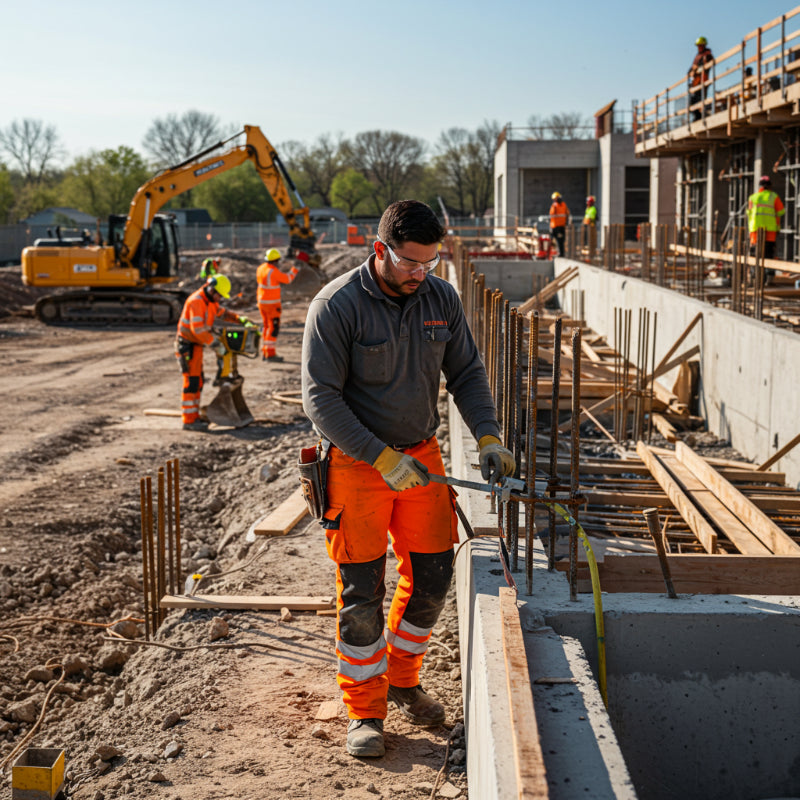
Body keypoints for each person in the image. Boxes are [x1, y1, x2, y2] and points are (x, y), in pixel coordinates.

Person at [301, 199, 515, 759]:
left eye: (430, 262)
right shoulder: (336, 306)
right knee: (362, 591)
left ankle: (402, 678)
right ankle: (365, 709)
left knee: (432, 575)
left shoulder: (440, 298)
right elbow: (320, 400)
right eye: (410, 262)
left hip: (420, 455)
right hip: (356, 464)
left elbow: (466, 373)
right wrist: (379, 458)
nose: (421, 272)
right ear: (381, 249)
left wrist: (488, 436)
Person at [175, 274, 248, 431]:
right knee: (191, 382)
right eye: (219, 295)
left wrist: (239, 319)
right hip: (187, 347)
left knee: (198, 381)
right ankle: (189, 420)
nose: (220, 299)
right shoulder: (196, 302)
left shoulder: (210, 302)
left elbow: (223, 313)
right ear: (212, 290)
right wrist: (215, 344)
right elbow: (198, 330)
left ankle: (194, 416)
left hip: (196, 346)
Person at [257, 248, 299, 362]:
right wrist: (295, 269)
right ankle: (270, 354)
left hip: (262, 302)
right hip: (272, 304)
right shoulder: (273, 271)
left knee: (266, 327)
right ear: (275, 260)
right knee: (273, 328)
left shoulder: (261, 268)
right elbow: (288, 279)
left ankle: (265, 351)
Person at [748, 175, 785, 279]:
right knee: (768, 254)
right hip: (770, 230)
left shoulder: (753, 197)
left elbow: (749, 214)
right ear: (769, 186)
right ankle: (769, 277)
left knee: (755, 254)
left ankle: (755, 276)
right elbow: (781, 211)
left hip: (755, 231)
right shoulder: (773, 196)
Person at [688, 36, 714, 121]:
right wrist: (691, 71)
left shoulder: (707, 54)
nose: (699, 47)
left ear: (704, 45)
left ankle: (701, 116)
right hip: (695, 83)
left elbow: (708, 64)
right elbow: (691, 68)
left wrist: (697, 68)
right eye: (698, 46)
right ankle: (697, 117)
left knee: (700, 100)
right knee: (692, 102)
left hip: (703, 80)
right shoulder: (698, 56)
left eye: (701, 45)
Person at [549, 192, 570, 257]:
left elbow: (552, 214)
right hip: (559, 226)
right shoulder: (562, 205)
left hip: (557, 226)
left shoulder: (555, 205)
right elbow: (567, 214)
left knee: (558, 240)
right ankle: (560, 253)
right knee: (559, 240)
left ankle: (559, 253)